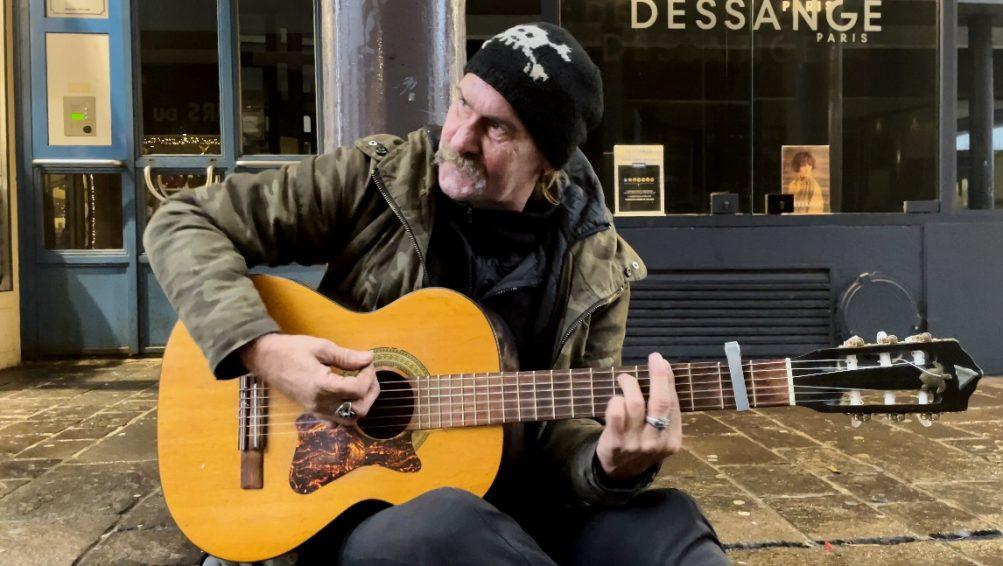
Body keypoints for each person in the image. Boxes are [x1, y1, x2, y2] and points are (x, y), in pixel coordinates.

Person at [146, 22, 727, 565]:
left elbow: (567, 430)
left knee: (668, 523)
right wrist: (262, 350)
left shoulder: (598, 263)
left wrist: (607, 466)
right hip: (363, 507)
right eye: (462, 104)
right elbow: (182, 223)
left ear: (548, 159)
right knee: (444, 525)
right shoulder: (378, 180)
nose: (460, 138)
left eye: (497, 128)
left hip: (525, 510)